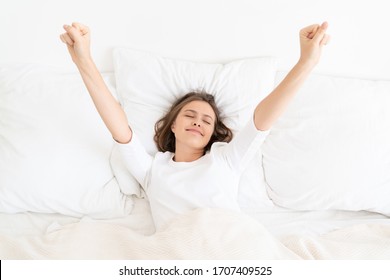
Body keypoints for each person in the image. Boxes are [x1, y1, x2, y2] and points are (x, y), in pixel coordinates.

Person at [60, 22, 330, 229]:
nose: (198, 122)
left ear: (213, 133)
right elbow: (119, 127)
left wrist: (306, 63)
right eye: (190, 115)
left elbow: (262, 121)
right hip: (175, 253)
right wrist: (83, 59)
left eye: (207, 120)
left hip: (227, 246)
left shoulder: (226, 159)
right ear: (173, 125)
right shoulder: (154, 169)